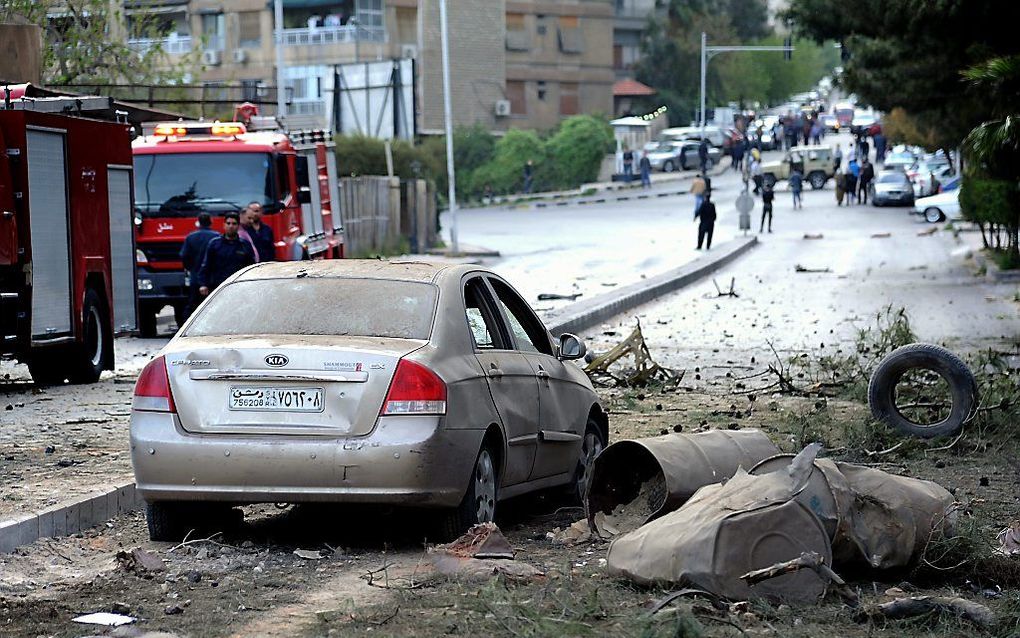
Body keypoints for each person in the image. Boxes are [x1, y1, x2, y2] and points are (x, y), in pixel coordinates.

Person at [197, 211, 257, 297]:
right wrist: (203, 284)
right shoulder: (214, 244)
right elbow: (206, 265)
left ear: (238, 226)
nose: (231, 226)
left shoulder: (245, 245)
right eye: (228, 223)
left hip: (239, 287)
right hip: (218, 287)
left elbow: (251, 267)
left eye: (234, 223)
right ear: (224, 225)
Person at [179, 212, 218, 318]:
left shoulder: (190, 237)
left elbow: (184, 256)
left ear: (198, 222)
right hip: (212, 278)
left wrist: (191, 268)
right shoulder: (216, 237)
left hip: (195, 277)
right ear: (211, 222)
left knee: (193, 305)